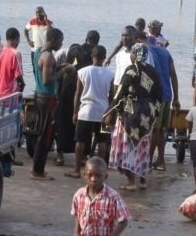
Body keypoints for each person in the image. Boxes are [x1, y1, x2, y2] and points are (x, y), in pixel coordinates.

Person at [108, 43, 162, 191]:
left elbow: (120, 92)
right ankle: (143, 180)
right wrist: (155, 113)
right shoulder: (153, 71)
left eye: (132, 53)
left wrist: (110, 111)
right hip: (148, 112)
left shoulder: (132, 70)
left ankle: (131, 181)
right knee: (143, 145)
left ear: (135, 54)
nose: (131, 55)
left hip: (132, 111)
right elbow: (159, 94)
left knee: (129, 144)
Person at [68, 45, 114, 179]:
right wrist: (111, 113)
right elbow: (112, 96)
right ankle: (100, 172)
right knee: (102, 142)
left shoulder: (82, 72)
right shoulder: (110, 74)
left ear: (92, 56)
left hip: (86, 111)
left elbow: (78, 93)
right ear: (104, 57)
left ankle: (77, 169)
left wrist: (75, 112)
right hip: (103, 112)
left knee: (80, 141)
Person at [31, 27, 63, 180]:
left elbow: (42, 69)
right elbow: (47, 79)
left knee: (42, 132)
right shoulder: (48, 56)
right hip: (46, 98)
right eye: (60, 41)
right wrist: (62, 73)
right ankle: (37, 171)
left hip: (39, 95)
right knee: (45, 135)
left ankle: (38, 169)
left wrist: (59, 67)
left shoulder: (38, 51)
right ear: (53, 40)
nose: (61, 44)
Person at [70, 157, 130, 236]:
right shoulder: (79, 195)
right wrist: (76, 233)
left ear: (105, 177)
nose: (93, 179)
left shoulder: (113, 197)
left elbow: (124, 220)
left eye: (98, 176)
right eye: (89, 175)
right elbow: (78, 216)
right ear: (84, 175)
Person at [146, 33, 179, 172]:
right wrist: (176, 98)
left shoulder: (148, 52)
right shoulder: (166, 53)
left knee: (154, 129)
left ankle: (148, 161)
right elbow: (173, 75)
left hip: (155, 96)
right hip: (167, 95)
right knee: (161, 130)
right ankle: (160, 160)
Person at [0, 27, 24, 103]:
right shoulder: (16, 53)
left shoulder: (1, 52)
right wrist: (23, 85)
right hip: (9, 96)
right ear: (17, 39)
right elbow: (18, 76)